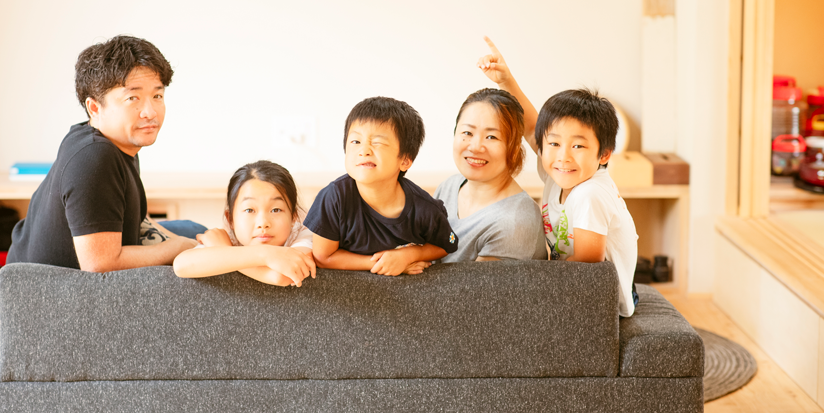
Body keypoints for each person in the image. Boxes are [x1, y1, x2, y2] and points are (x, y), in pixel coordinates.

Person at [6, 35, 197, 272]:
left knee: (194, 231)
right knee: (197, 247)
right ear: (94, 107)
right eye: (132, 98)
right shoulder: (95, 157)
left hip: (43, 272)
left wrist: (186, 243)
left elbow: (132, 218)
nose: (150, 112)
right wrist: (180, 248)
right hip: (44, 290)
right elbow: (100, 263)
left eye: (157, 96)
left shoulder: (116, 141)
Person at [478, 37, 639, 316]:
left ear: (604, 154)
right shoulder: (560, 173)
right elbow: (532, 127)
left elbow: (587, 264)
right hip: (576, 282)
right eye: (554, 143)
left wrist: (537, 279)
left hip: (604, 298)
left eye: (578, 146)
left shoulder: (589, 194)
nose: (563, 156)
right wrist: (505, 80)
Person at [305, 96, 458, 275]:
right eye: (356, 141)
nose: (364, 150)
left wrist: (408, 255)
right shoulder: (333, 197)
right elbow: (323, 257)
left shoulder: (425, 208)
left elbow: (446, 245)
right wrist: (382, 263)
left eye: (377, 142)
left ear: (405, 160)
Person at [433, 88, 546, 262]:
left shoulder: (514, 222)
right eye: (467, 133)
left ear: (514, 148)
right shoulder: (450, 186)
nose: (475, 147)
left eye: (492, 137)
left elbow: (475, 283)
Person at [173, 160, 316, 286]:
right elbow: (181, 265)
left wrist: (224, 249)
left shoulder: (304, 235)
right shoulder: (228, 238)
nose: (263, 223)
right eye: (249, 210)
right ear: (230, 219)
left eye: (276, 210)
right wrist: (265, 255)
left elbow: (280, 276)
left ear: (294, 217)